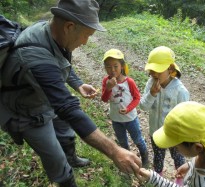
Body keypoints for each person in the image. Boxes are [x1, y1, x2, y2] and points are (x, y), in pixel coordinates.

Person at [0, 0, 141, 186]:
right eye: (87, 35)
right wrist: (114, 151)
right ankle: (66, 180)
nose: (86, 42)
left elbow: (58, 60)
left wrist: (77, 84)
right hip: (28, 111)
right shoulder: (34, 54)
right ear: (69, 26)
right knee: (55, 157)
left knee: (66, 132)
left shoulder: (52, 34)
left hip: (43, 97)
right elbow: (67, 107)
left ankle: (72, 158)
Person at [136, 101, 205, 187]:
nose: (173, 147)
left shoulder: (201, 182)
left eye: (176, 146)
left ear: (198, 148)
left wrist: (153, 178)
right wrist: (190, 165)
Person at [140, 46, 189, 175]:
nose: (154, 74)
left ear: (170, 69)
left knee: (178, 159)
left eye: (158, 71)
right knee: (158, 158)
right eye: (152, 71)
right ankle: (158, 178)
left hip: (174, 134)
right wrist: (152, 94)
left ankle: (180, 181)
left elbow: (185, 115)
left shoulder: (180, 91)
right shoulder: (150, 84)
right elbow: (143, 106)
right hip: (155, 132)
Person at [101, 49, 149, 167]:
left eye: (115, 66)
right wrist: (108, 88)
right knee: (123, 142)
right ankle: (128, 161)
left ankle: (145, 158)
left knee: (138, 140)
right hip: (116, 120)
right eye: (108, 67)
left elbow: (137, 98)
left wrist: (128, 109)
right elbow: (104, 99)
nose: (112, 70)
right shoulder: (106, 81)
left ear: (122, 66)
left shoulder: (129, 82)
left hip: (130, 119)